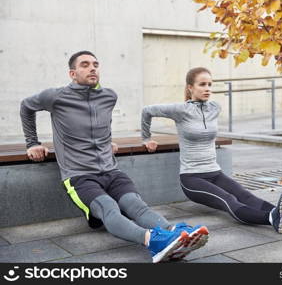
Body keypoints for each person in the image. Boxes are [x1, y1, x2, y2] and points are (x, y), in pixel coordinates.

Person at [20, 51, 208, 263]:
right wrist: (32, 142)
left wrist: (105, 140)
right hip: (79, 176)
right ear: (72, 73)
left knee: (136, 205)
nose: (92, 68)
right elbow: (26, 107)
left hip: (111, 170)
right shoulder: (55, 96)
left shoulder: (109, 96)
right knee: (109, 208)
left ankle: (174, 233)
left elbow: (102, 122)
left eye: (95, 64)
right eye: (85, 65)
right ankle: (153, 241)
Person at [141, 67, 282, 234]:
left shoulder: (214, 107)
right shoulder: (180, 110)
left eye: (210, 85)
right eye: (202, 84)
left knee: (246, 196)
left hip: (215, 172)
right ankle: (273, 219)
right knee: (229, 200)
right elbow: (147, 111)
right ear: (190, 87)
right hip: (192, 178)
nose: (207, 89)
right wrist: (147, 138)